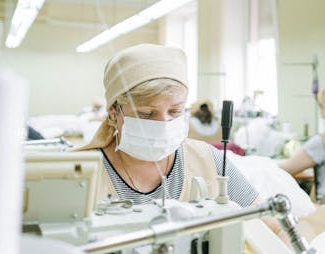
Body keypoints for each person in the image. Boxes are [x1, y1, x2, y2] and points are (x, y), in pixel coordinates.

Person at [74, 43, 287, 241]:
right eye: (147, 114)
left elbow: (275, 227)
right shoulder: (79, 173)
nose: (164, 123)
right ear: (114, 111)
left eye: (175, 111)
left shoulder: (207, 160)